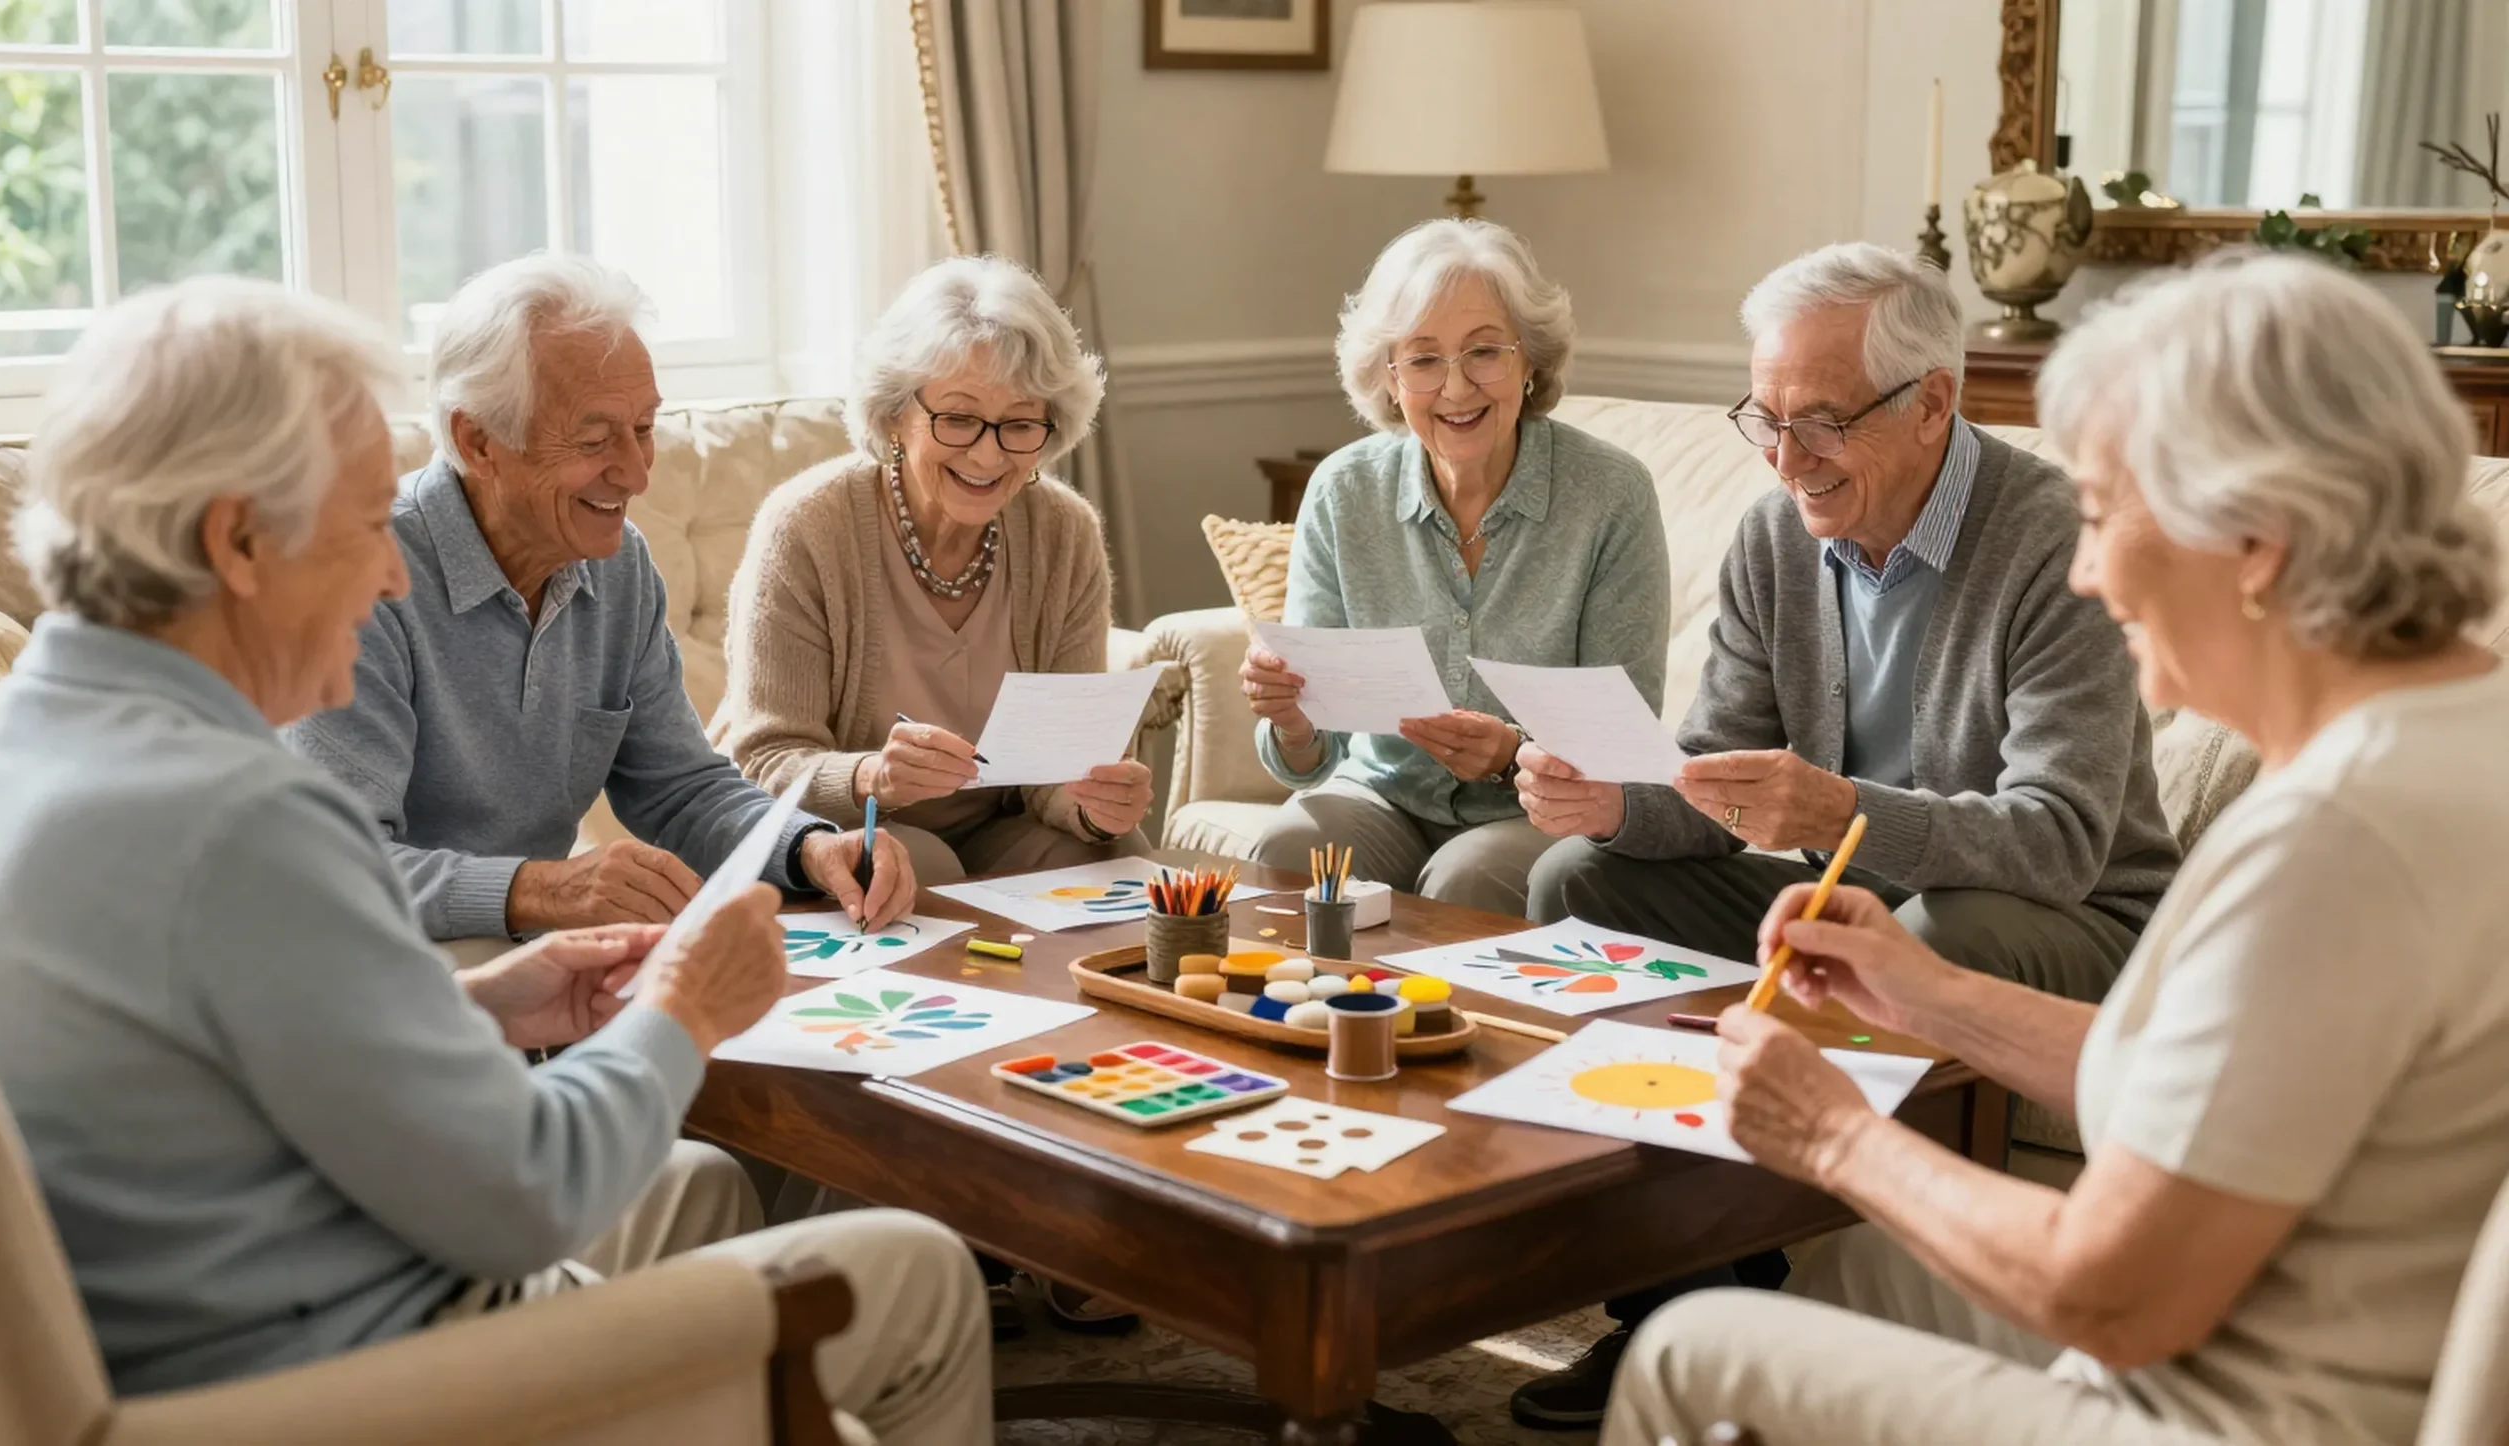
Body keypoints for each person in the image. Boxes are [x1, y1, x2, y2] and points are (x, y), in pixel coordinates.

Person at [0, 278, 989, 1442]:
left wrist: (481, 1004)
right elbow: (528, 1189)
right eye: (356, 529)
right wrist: (685, 1008)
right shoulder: (244, 820)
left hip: (242, 1297)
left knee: (693, 1187)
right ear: (237, 541)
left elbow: (199, 1043)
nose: (389, 571)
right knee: (916, 1274)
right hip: (349, 1372)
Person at [1604, 254, 2509, 1446]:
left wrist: (1830, 1134)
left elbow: (2107, 1296)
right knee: (1855, 1280)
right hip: (2298, 1334)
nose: (2083, 569)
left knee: (1688, 1353)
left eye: (2097, 512)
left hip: (2237, 1410)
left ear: (2254, 535)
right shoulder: (2458, 739)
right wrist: (1932, 997)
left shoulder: (2329, 843)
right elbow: (2210, 1084)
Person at [1507, 241, 2183, 1429]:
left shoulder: (2049, 539)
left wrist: (1841, 815)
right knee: (1580, 879)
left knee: (1929, 929)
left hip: (2065, 924)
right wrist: (1617, 800)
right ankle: (1678, 1303)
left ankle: (1852, 1301)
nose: (1784, 459)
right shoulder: (1779, 537)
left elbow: (2061, 840)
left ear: (1934, 403)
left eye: (1819, 421)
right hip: (1837, 896)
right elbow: (1717, 773)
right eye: (1762, 420)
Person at [287, 254, 913, 946]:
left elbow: (679, 788)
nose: (637, 473)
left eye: (645, 429)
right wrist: (544, 887)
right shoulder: (365, 576)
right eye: (593, 440)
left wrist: (807, 848)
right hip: (381, 952)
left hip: (533, 950)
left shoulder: (617, 567)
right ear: (477, 440)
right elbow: (339, 868)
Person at [1240, 218, 1669, 916]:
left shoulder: (1612, 494)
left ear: (1530, 362)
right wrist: (1290, 717)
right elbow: (1312, 758)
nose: (1456, 388)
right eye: (1424, 358)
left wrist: (1512, 756)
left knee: (1469, 882)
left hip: (1532, 810)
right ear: (1389, 375)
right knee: (1294, 848)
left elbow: (1623, 738)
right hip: (1379, 793)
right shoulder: (1344, 490)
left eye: (1484, 352)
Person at [712, 254, 1152, 888]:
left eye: (1019, 423)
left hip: (997, 827)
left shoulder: (1064, 531)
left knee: (1115, 852)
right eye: (959, 418)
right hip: (828, 827)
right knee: (922, 860)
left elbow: (1057, 770)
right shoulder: (807, 526)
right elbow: (764, 760)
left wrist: (1092, 805)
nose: (988, 453)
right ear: (895, 414)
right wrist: (872, 778)